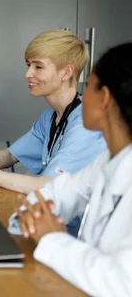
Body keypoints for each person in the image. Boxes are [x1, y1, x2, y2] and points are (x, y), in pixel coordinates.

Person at [14, 42, 132, 296]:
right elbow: (61, 191)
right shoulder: (106, 160)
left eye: (88, 86)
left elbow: (122, 283)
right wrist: (34, 215)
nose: (82, 95)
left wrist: (53, 239)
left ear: (105, 98)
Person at [0, 30, 106, 195]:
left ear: (66, 73)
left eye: (38, 67)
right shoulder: (50, 116)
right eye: (28, 65)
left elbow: (47, 186)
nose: (28, 74)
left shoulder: (86, 121)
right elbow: (10, 155)